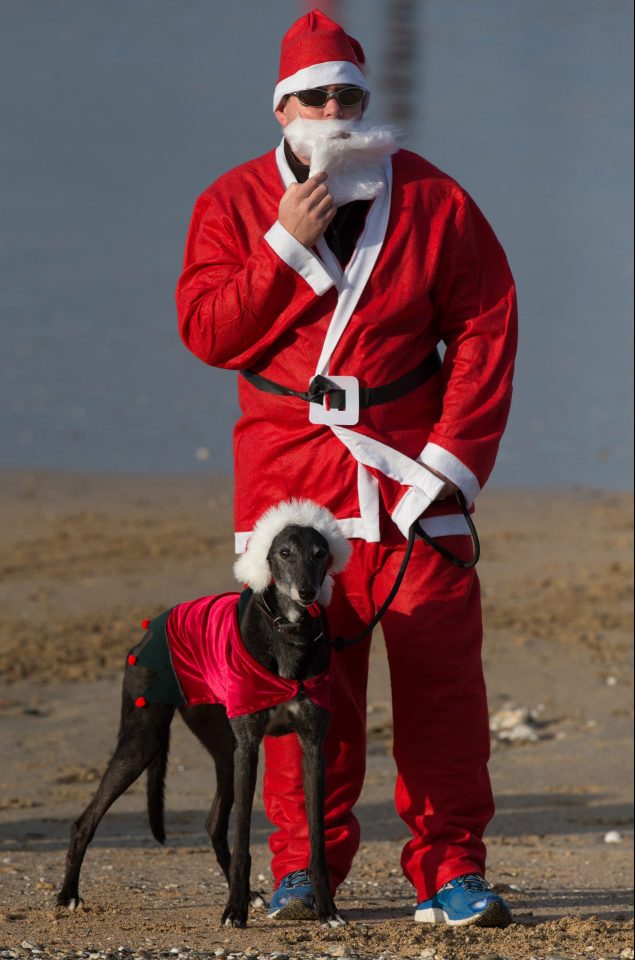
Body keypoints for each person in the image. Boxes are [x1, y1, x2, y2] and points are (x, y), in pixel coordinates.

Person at [176, 9, 517, 928]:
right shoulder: (232, 203)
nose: (334, 109)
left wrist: (451, 460)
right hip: (289, 480)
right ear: (282, 110)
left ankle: (450, 871)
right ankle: (301, 870)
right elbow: (208, 333)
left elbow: (485, 325)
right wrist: (281, 247)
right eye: (315, 97)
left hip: (410, 473)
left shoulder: (437, 201)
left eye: (349, 96)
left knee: (442, 679)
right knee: (296, 685)